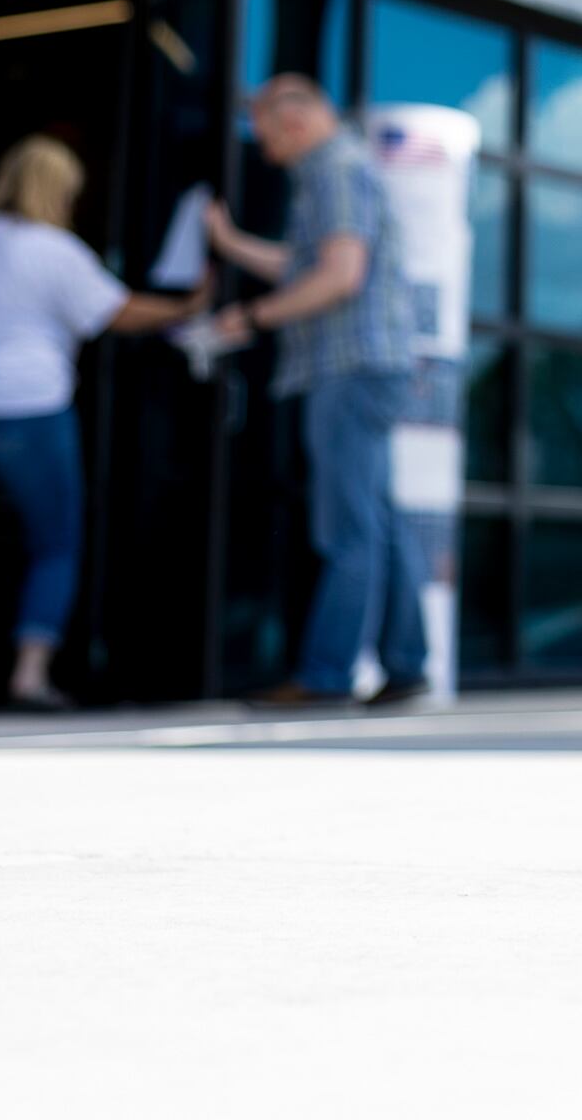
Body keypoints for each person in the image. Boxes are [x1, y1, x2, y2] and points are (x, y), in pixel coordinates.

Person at [0, 136, 204, 714]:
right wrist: (188, 307)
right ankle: (29, 675)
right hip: (32, 411)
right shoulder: (54, 250)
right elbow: (116, 313)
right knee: (55, 544)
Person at [204, 76, 428, 707]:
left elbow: (338, 276)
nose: (264, 148)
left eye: (266, 133)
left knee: (349, 530)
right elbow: (307, 262)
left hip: (349, 368)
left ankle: (327, 676)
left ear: (296, 121)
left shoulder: (333, 170)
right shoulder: (341, 172)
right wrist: (233, 246)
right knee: (380, 523)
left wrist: (251, 319)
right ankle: (406, 664)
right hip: (368, 366)